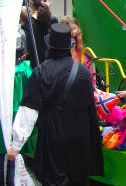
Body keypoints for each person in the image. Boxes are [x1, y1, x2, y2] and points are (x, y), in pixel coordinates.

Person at [6, 23, 104, 186]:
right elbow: (90, 111)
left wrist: (16, 146)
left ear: (50, 45)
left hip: (53, 139)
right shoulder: (84, 72)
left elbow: (29, 112)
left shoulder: (41, 72)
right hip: (80, 139)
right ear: (70, 46)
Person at [27, 0, 58, 68]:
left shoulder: (31, 23)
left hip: (37, 60)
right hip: (53, 58)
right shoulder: (53, 20)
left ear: (31, 5)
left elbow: (30, 44)